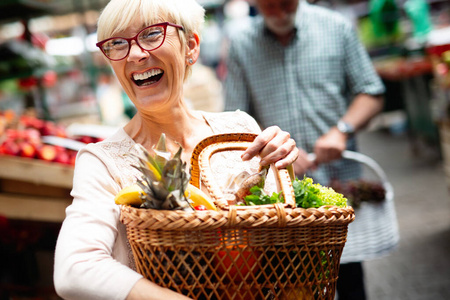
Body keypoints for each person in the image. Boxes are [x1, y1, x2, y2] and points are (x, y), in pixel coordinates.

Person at [53, 0, 299, 299]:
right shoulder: (101, 162)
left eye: (152, 34)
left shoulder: (239, 129)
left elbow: (284, 237)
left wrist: (282, 165)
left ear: (191, 47)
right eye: (117, 43)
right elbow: (75, 268)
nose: (136, 54)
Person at [224, 0, 398, 299]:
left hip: (339, 187)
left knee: (350, 281)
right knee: (293, 286)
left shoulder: (336, 26)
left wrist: (341, 130)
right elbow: (234, 121)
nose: (279, 13)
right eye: (269, 7)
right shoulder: (241, 44)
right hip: (281, 197)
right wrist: (274, 149)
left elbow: (371, 91)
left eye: (285, 4)